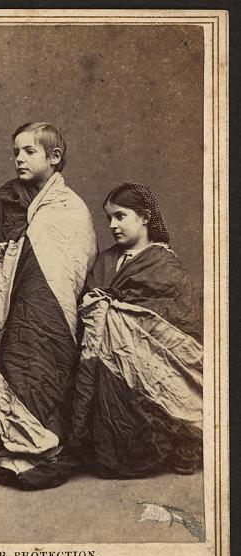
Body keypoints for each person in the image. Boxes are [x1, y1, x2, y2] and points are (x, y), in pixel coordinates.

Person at [0, 122, 97, 490]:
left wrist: (47, 295)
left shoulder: (70, 207)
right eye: (15, 151)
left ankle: (39, 449)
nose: (18, 158)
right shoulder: (7, 197)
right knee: (12, 364)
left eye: (29, 151)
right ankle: (9, 448)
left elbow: (77, 261)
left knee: (42, 368)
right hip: (10, 304)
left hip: (52, 312)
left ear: (55, 157)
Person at [70, 183, 203, 478]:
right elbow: (89, 300)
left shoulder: (164, 263)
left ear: (144, 217)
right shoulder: (106, 259)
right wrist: (103, 308)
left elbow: (178, 322)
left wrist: (121, 313)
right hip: (107, 359)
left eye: (120, 216)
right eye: (109, 219)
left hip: (150, 365)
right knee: (108, 445)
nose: (113, 225)